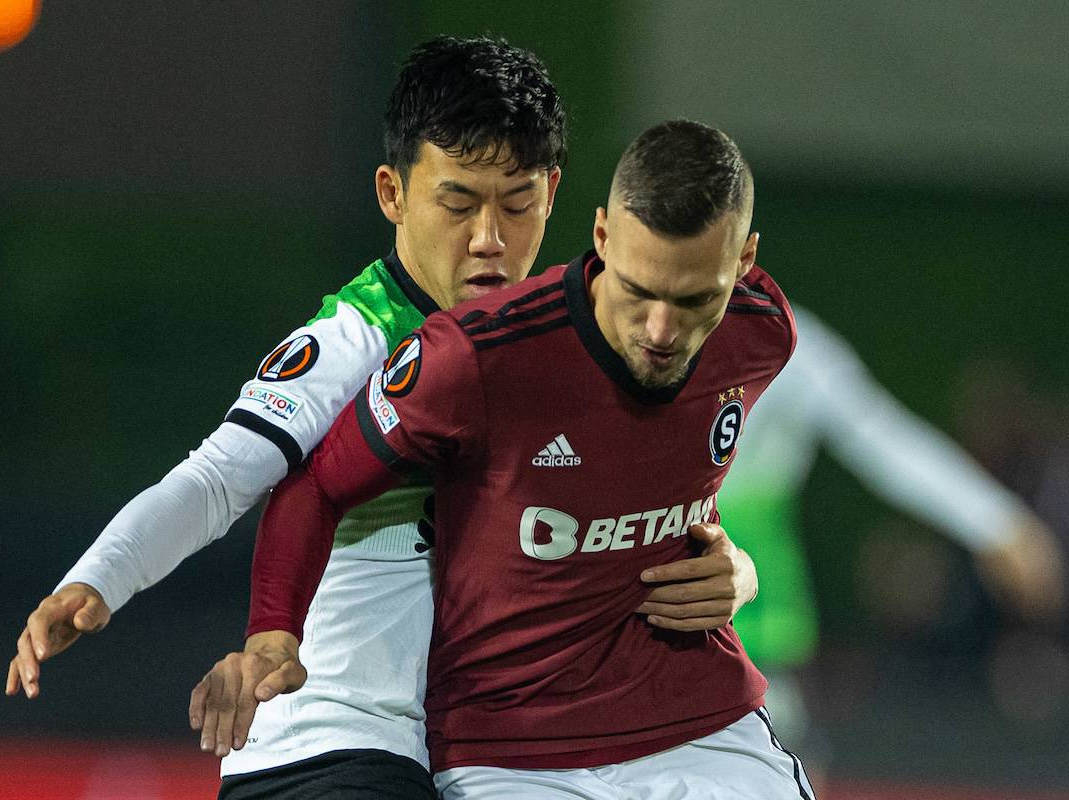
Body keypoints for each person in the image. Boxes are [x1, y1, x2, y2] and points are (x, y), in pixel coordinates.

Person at [6, 38, 760, 799]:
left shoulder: (569, 338)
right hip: (333, 736)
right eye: (458, 202)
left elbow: (632, 505)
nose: (490, 238)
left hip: (469, 754)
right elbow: (218, 479)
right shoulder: (354, 340)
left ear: (559, 196)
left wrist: (737, 572)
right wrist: (100, 577)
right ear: (393, 195)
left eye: (519, 202)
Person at [197, 120, 816, 799]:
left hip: (704, 725)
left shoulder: (762, 331)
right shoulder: (473, 357)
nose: (662, 331)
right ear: (603, 236)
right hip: (511, 754)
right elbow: (317, 484)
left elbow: (648, 472)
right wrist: (273, 634)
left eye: (696, 299)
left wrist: (739, 571)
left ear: (746, 258)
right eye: (639, 291)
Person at [720, 304, 1066, 747]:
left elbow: (881, 437)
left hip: (757, 641)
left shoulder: (781, 341)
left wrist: (996, 521)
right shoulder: (622, 339)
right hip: (648, 633)